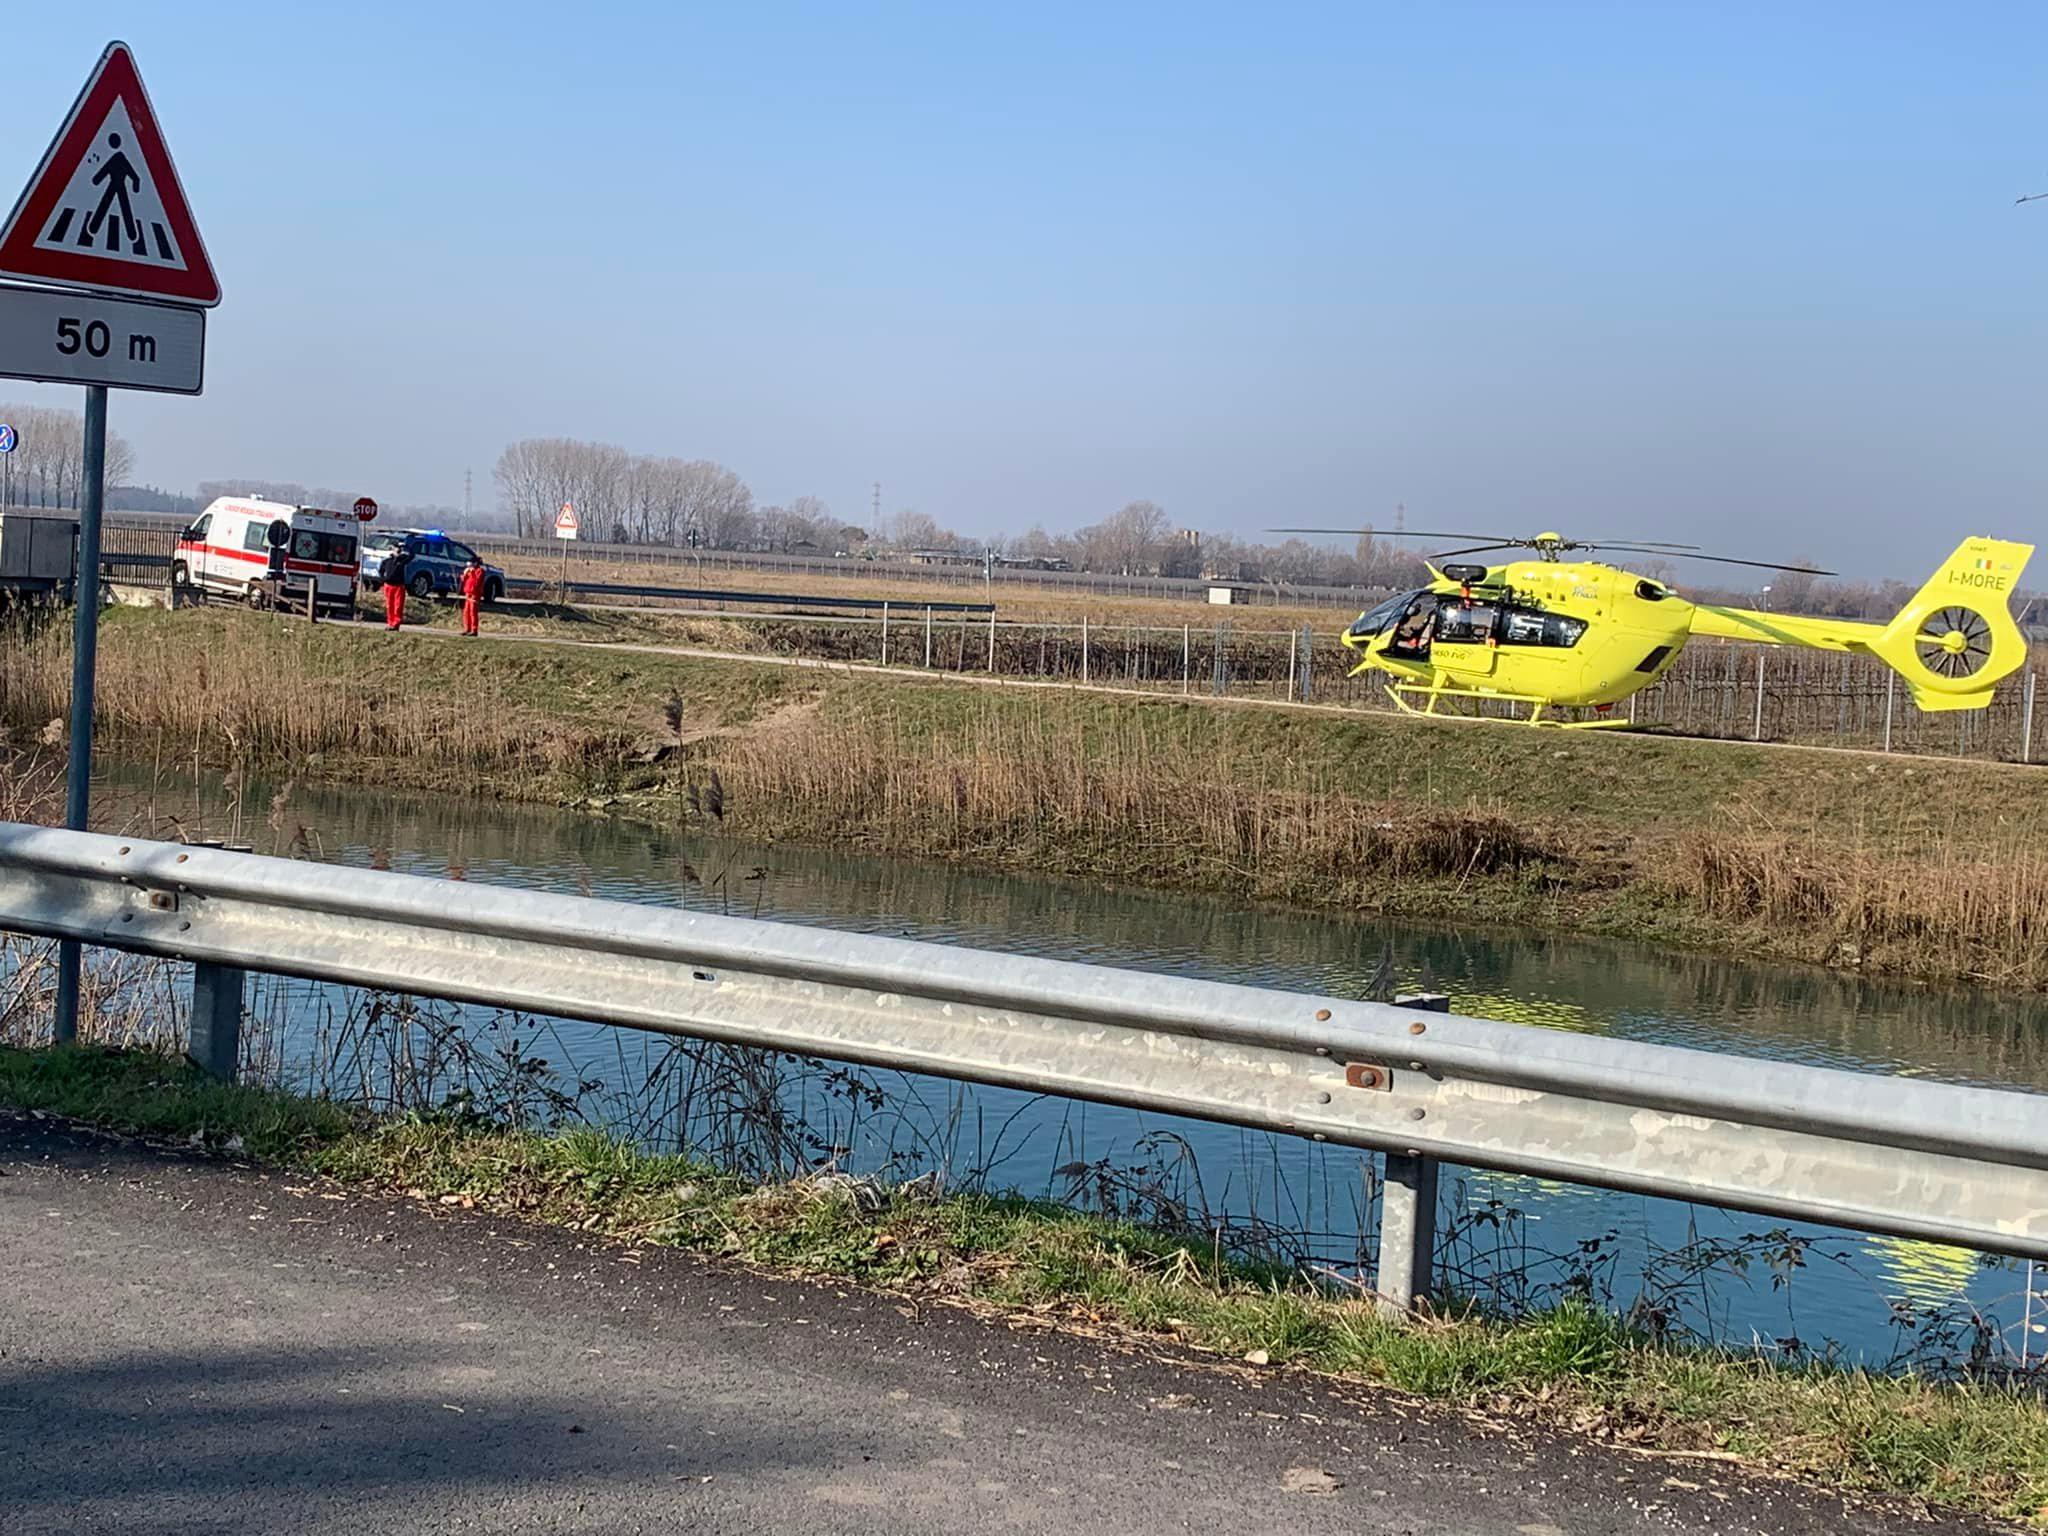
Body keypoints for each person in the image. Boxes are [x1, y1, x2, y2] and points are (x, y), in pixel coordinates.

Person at [378, 541, 411, 631]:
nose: (398, 550)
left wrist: (407, 547)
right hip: (388, 586)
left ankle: (396, 624)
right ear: (392, 549)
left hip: (399, 586)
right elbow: (381, 570)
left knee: (398, 606)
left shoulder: (403, 560)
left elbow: (412, 556)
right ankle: (390, 623)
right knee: (389, 606)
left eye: (399, 548)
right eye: (396, 548)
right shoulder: (387, 561)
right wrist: (383, 579)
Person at [459, 553, 486, 637]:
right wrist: (465, 574)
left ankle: (474, 630)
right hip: (468, 593)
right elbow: (464, 580)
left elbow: (477, 581)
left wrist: (472, 572)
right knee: (466, 612)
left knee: (473, 612)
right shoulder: (469, 571)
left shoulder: (480, 571)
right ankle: (467, 629)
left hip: (475, 594)